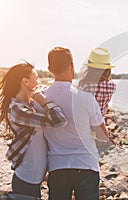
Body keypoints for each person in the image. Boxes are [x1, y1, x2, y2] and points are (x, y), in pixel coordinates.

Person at [41, 46, 110, 200]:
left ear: (50, 69)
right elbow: (103, 136)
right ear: (72, 66)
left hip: (57, 166)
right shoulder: (85, 98)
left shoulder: (41, 98)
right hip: (86, 164)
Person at [0, 62, 68, 198]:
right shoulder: (17, 109)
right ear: (25, 81)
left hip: (34, 179)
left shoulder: (29, 105)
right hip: (26, 179)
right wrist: (41, 98)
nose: (38, 82)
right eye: (35, 78)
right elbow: (59, 120)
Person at [77, 48, 116, 116]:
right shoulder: (112, 86)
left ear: (89, 68)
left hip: (85, 123)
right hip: (100, 122)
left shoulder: (85, 85)